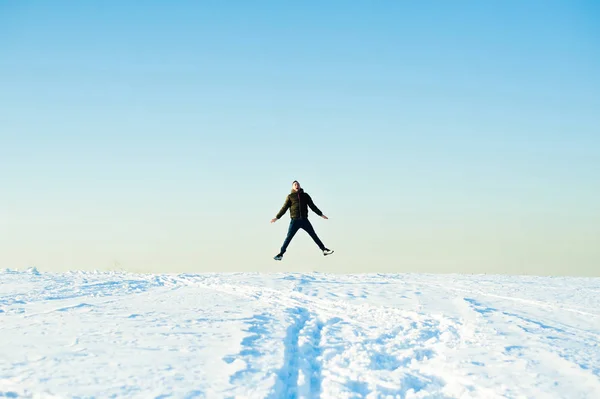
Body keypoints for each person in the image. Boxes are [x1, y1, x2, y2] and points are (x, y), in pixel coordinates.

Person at [270, 180, 334, 261]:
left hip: (304, 220)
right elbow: (284, 208)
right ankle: (281, 254)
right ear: (292, 187)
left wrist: (320, 214)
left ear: (300, 186)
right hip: (295, 221)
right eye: (295, 184)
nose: (297, 185)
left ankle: (324, 250)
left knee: (314, 235)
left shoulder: (305, 195)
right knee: (288, 237)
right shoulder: (290, 196)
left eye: (298, 184)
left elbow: (312, 206)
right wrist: (277, 217)